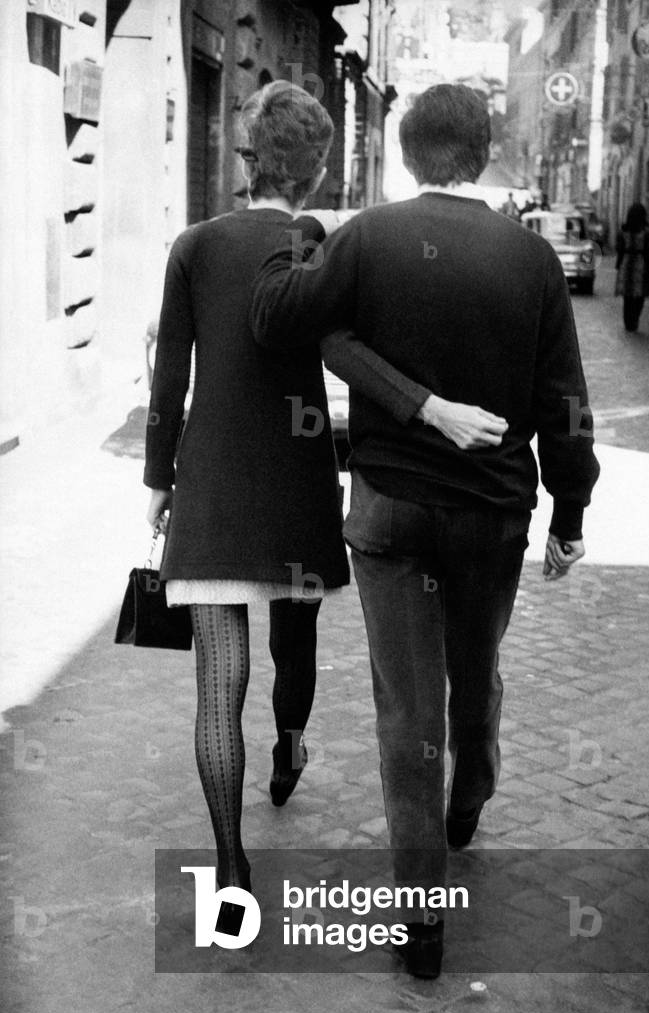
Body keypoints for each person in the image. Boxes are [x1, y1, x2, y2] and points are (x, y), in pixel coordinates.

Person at [250, 83, 600, 978]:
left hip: (389, 512)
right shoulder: (528, 262)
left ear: (406, 157)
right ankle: (469, 797)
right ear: (481, 156)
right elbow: (565, 401)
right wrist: (571, 508)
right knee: (473, 675)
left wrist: (305, 237)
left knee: (407, 709)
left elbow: (280, 314)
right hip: (490, 511)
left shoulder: (366, 236)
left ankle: (420, 920)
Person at [144, 80, 505, 898]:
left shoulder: (194, 245)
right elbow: (351, 349)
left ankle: (230, 860)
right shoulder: (324, 242)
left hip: (210, 482)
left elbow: (171, 380)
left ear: (245, 159)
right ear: (313, 170)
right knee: (293, 635)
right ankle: (290, 743)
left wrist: (159, 480)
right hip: (296, 478)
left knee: (216, 685)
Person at [615, 203, 649, 332]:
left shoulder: (623, 231)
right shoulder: (646, 232)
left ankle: (628, 322)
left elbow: (619, 248)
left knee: (627, 296)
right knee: (639, 295)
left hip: (626, 263)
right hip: (640, 264)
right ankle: (635, 319)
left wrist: (619, 264)